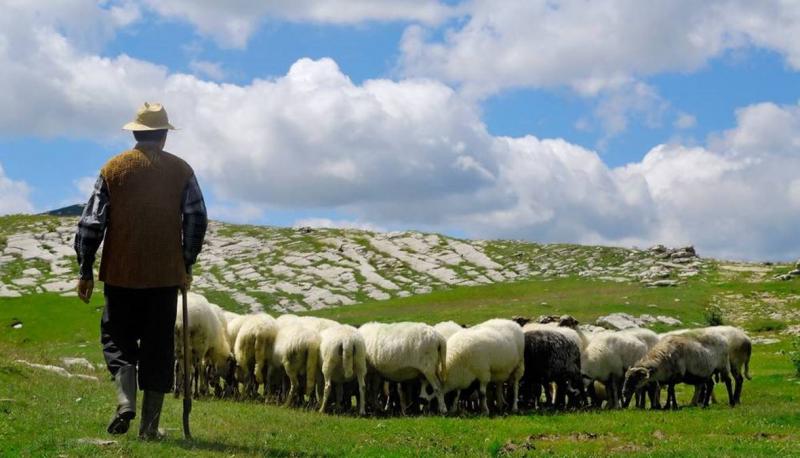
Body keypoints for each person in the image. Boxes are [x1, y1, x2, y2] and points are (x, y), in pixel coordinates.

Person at [73, 102, 208, 439]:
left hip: (121, 274)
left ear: (135, 132)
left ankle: (124, 402)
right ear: (164, 136)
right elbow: (196, 217)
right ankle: (149, 428)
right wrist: (186, 262)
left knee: (116, 339)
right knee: (158, 347)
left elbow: (91, 222)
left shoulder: (113, 169)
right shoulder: (181, 171)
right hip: (164, 276)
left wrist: (86, 269)